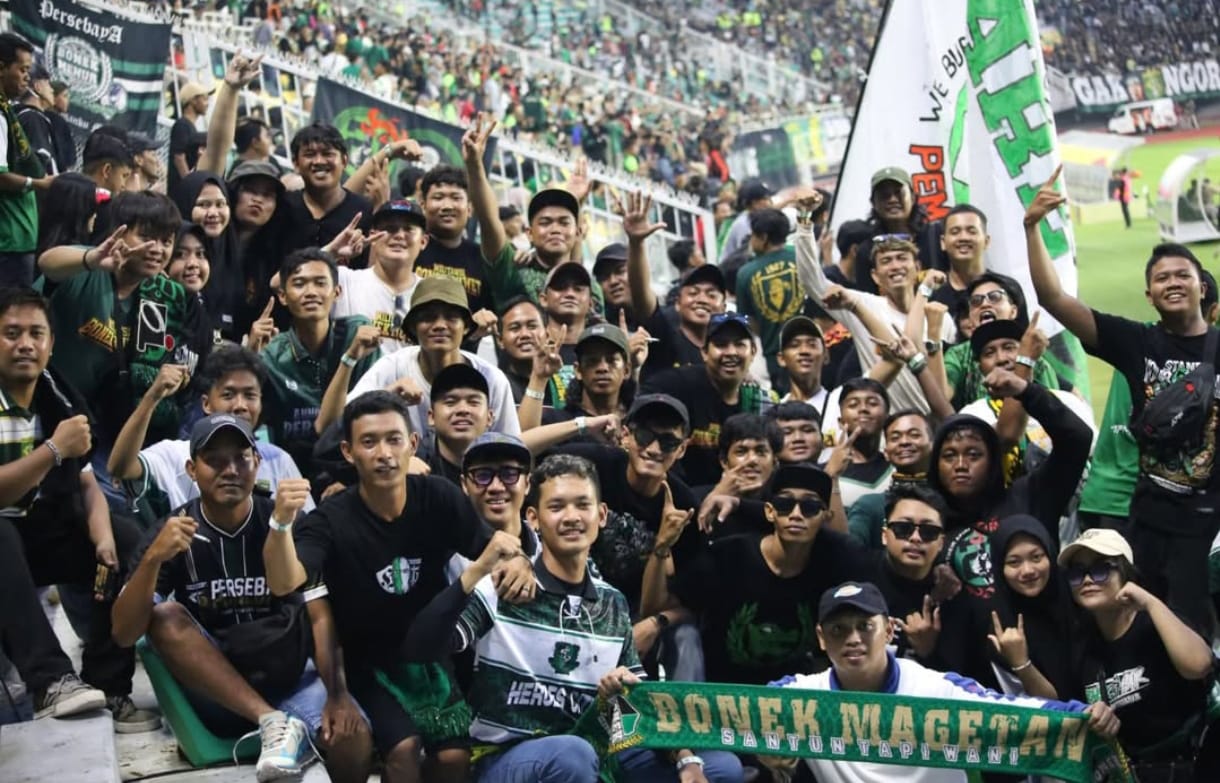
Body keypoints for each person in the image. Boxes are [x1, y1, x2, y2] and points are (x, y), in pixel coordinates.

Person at [404, 453, 744, 783]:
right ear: (533, 519)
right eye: (557, 506)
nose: (571, 517)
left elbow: (634, 715)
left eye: (583, 505)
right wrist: (477, 570)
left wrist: (677, 749)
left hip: (593, 750)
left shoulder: (612, 603)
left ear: (602, 515)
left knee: (722, 768)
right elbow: (419, 648)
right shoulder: (504, 586)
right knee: (573, 755)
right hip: (506, 758)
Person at [261, 391, 534, 783]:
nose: (384, 453)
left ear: (413, 444)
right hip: (365, 663)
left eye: (393, 439)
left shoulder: (438, 496)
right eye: (369, 442)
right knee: (403, 751)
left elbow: (493, 546)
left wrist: (521, 561)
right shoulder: (329, 520)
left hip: (430, 656)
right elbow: (284, 580)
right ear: (349, 452)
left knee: (454, 758)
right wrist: (281, 524)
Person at [111, 414, 372, 782]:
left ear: (258, 463)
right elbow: (124, 634)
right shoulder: (172, 530)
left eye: (240, 458)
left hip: (289, 675)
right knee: (166, 616)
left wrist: (338, 693)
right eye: (214, 460)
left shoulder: (287, 521)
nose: (230, 470)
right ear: (191, 468)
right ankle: (271, 721)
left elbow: (319, 612)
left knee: (353, 736)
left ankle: (280, 724)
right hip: (219, 692)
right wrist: (154, 558)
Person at [1026, 166, 1220, 632]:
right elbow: (1053, 298)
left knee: (1198, 627)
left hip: (1208, 524)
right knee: (1143, 627)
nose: (1172, 282)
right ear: (1149, 295)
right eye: (1161, 278)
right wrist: (1031, 227)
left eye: (1183, 275)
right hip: (1148, 519)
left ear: (1201, 287)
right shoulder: (1136, 342)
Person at [764, 581, 1119, 783]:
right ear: (821, 638)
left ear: (889, 631)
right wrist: (767, 749)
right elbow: (750, 708)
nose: (853, 638)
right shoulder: (802, 696)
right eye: (838, 630)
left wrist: (1083, 713)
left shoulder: (935, 688)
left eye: (864, 626)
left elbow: (1010, 711)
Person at [0, 287, 156, 731]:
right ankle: (50, 681)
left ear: (51, 344)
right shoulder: (56, 428)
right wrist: (53, 449)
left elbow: (87, 482)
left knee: (129, 541)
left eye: (36, 333)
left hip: (38, 538)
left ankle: (108, 686)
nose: (25, 344)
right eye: (12, 333)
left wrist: (103, 534)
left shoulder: (56, 397)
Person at [644, 462, 871, 686]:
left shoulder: (833, 563)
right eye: (784, 504)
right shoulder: (729, 556)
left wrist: (740, 504)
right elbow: (658, 606)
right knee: (684, 635)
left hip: (790, 696)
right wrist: (661, 547)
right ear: (770, 512)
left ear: (825, 516)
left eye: (810, 507)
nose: (796, 514)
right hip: (718, 694)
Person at [37, 191, 210, 449]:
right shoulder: (89, 265)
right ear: (118, 232)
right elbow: (48, 263)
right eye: (146, 237)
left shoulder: (160, 294)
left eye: (166, 241)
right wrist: (91, 259)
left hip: (104, 428)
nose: (157, 249)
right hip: (48, 411)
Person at [927, 368, 1093, 601]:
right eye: (949, 456)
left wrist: (1026, 392)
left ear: (993, 461)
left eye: (974, 455)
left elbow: (1077, 438)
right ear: (936, 464)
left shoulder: (1029, 496)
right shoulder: (926, 525)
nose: (961, 464)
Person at [1060, 528, 1214, 778]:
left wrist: (1150, 602)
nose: (1087, 580)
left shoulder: (1155, 621)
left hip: (1191, 766)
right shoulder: (1083, 647)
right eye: (1077, 574)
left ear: (1125, 573)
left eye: (1100, 569)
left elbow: (1198, 666)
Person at [108, 346, 314, 526]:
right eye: (228, 394)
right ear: (206, 404)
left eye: (250, 395)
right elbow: (120, 467)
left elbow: (309, 531)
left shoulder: (279, 460)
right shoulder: (173, 455)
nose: (240, 405)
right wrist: (152, 398)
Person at [796, 196, 956, 414]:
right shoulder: (863, 305)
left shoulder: (940, 317)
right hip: (888, 433)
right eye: (886, 261)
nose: (895, 266)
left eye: (902, 258)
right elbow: (812, 281)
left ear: (917, 266)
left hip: (931, 429)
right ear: (875, 276)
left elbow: (945, 383)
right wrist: (805, 221)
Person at [337, 276, 520, 441]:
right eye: (428, 318)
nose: (440, 325)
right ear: (413, 327)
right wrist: (386, 397)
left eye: (451, 318)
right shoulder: (392, 367)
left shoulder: (491, 378)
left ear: (465, 327)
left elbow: (511, 444)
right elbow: (342, 422)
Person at [260, 247, 380, 479]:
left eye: (320, 283)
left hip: (355, 469)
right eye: (299, 283)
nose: (311, 292)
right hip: (292, 472)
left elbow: (372, 414)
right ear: (283, 296)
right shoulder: (272, 358)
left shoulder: (357, 334)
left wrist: (351, 356)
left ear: (337, 292)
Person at [642, 311, 774, 488]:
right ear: (704, 352)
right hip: (678, 496)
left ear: (753, 352)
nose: (731, 352)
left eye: (739, 345)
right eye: (721, 345)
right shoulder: (675, 385)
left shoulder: (758, 401)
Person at [622, 191, 728, 379]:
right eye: (693, 293)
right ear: (678, 303)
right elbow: (640, 294)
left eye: (711, 295)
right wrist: (636, 243)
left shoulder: (726, 349)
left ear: (724, 307)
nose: (702, 299)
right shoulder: (665, 331)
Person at [984, 514, 1078, 700]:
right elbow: (1045, 710)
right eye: (1014, 562)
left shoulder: (1079, 602)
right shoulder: (1001, 631)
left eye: (1036, 557)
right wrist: (1021, 663)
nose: (1027, 571)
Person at [331, 199, 428, 352]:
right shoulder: (344, 280)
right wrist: (331, 252)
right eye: (390, 229)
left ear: (423, 241)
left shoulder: (432, 295)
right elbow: (284, 282)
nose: (399, 236)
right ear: (373, 236)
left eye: (408, 229)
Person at [0, 32, 52, 288]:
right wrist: (38, 184)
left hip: (16, 240)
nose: (26, 77)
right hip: (7, 242)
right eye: (22, 69)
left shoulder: (7, 110)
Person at [735, 207, 802, 395]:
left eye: (753, 236)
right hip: (811, 346)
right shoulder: (799, 256)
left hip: (776, 354)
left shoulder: (746, 273)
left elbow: (749, 322)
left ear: (763, 237)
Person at [847, 409, 934, 550]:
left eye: (914, 435)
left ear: (932, 444)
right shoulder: (870, 506)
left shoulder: (950, 499)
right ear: (886, 452)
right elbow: (848, 554)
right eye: (895, 438)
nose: (904, 442)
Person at [283, 123, 372, 251]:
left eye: (327, 153)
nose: (319, 161)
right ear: (296, 163)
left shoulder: (363, 210)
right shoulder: (283, 206)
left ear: (344, 161)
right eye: (309, 154)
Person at [776, 315, 829, 409]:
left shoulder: (837, 407)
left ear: (826, 355)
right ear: (781, 359)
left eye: (812, 345)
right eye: (794, 345)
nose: (804, 351)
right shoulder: (773, 414)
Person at [169, 81, 211, 193]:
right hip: (179, 192)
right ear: (193, 100)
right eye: (204, 99)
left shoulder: (189, 126)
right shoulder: (182, 125)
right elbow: (179, 157)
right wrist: (189, 184)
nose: (207, 103)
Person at [766, 400, 823, 464]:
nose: (798, 438)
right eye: (786, 432)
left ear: (822, 437)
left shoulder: (833, 472)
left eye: (807, 430)